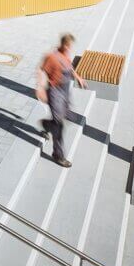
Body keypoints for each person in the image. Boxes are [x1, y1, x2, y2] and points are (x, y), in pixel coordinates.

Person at [36, 33, 86, 168]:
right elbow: (41, 71)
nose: (69, 48)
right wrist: (40, 88)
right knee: (59, 125)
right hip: (55, 92)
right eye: (68, 46)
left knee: (69, 116)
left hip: (65, 91)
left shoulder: (65, 55)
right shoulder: (52, 57)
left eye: (70, 46)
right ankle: (58, 155)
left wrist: (78, 77)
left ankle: (47, 124)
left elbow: (69, 68)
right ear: (63, 44)